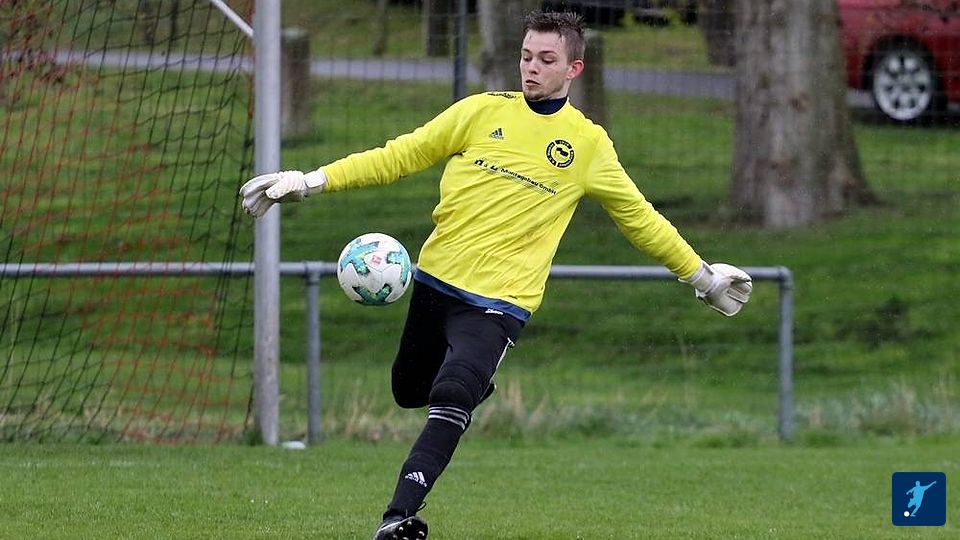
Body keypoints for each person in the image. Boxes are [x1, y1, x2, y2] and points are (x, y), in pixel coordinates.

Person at [240, 10, 752, 540]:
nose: (531, 68)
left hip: (499, 302)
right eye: (526, 56)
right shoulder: (480, 111)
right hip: (435, 281)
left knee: (453, 393)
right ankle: (468, 387)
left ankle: (397, 518)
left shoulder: (588, 144)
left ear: (573, 69)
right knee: (409, 390)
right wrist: (310, 181)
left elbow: (639, 218)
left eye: (546, 59)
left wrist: (703, 277)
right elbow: (400, 155)